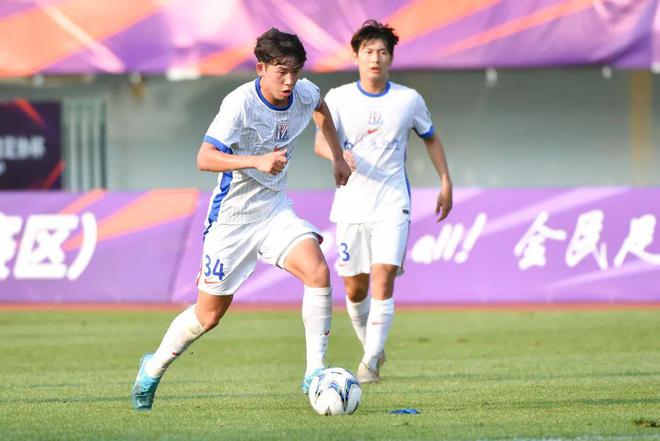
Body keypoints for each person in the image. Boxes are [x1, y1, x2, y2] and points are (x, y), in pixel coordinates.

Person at [131, 28, 351, 410]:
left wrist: (337, 156)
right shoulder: (240, 105)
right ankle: (153, 367)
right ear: (260, 68)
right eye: (281, 72)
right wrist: (256, 161)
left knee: (318, 271)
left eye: (295, 72)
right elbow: (204, 158)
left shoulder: (305, 93)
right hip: (232, 219)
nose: (289, 81)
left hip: (274, 209)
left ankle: (314, 372)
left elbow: (322, 112)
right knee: (208, 316)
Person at [314, 20, 453, 383]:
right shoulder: (338, 98)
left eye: (382, 52)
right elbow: (319, 142)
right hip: (350, 205)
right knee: (354, 288)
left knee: (383, 275)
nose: (375, 58)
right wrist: (338, 156)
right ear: (356, 56)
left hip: (392, 203)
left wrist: (445, 180)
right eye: (368, 52)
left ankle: (370, 362)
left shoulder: (408, 100)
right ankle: (372, 347)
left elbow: (431, 137)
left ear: (391, 58)